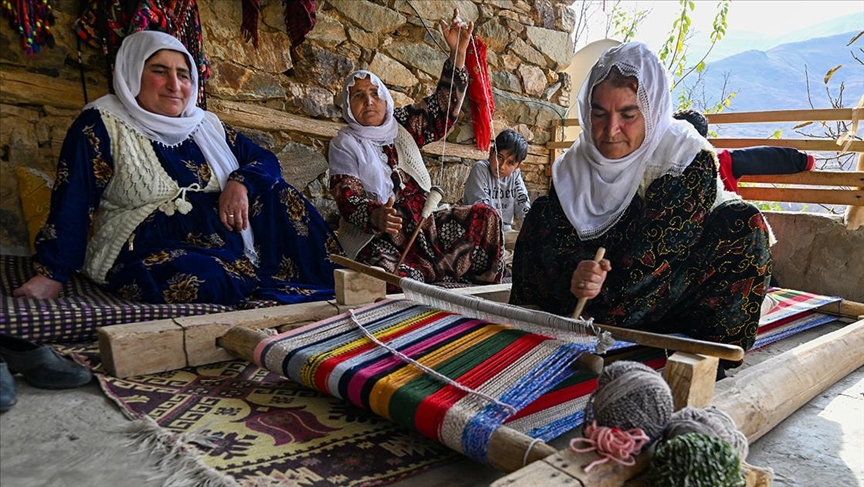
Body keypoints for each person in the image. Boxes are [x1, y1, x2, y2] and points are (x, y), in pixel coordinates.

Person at [14, 31, 341, 305]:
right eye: (159, 71)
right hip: (147, 248)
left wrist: (239, 183)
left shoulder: (206, 125)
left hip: (231, 245)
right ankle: (261, 286)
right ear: (132, 74)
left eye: (183, 74)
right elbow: (74, 198)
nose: (175, 85)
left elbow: (266, 160)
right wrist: (53, 274)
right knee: (206, 277)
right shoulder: (102, 124)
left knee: (279, 192)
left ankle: (333, 279)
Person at [510, 43, 773, 368]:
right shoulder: (574, 166)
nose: (611, 130)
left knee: (744, 223)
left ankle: (698, 359)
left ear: (652, 110)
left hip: (669, 295)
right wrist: (574, 273)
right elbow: (555, 242)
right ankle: (534, 332)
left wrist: (599, 294)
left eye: (628, 115)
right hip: (591, 296)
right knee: (540, 213)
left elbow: (653, 262)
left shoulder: (684, 158)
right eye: (599, 113)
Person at [328, 9, 503, 285]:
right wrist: (376, 215)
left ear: (386, 100)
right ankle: (432, 284)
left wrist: (458, 54)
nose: (369, 101)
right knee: (385, 274)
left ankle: (474, 291)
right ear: (349, 107)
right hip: (384, 236)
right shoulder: (345, 143)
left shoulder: (402, 124)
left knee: (486, 218)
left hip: (427, 225)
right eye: (358, 96)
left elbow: (442, 110)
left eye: (375, 93)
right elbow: (346, 196)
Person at [672, 108, 815, 193]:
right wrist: (803, 161)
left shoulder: (660, 161)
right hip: (720, 229)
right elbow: (764, 158)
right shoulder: (720, 161)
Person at [463, 128, 531, 236]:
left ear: (517, 167)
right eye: (499, 157)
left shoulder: (515, 175)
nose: (502, 166)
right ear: (491, 152)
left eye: (510, 163)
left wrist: (530, 234)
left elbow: (523, 205)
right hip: (478, 231)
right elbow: (482, 210)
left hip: (505, 231)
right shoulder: (480, 169)